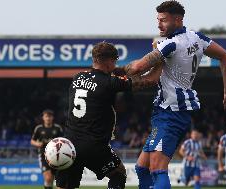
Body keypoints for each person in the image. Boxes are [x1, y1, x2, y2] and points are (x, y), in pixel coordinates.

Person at [115, 1, 226, 188]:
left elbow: (137, 67)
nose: (159, 24)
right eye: (158, 20)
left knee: (157, 168)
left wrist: (114, 70)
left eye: (163, 20)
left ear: (178, 19)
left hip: (172, 112)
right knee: (142, 167)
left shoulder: (170, 44)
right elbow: (225, 56)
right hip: (166, 110)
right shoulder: (197, 37)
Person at [55, 41, 160, 189]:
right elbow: (151, 80)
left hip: (70, 143)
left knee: (65, 186)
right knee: (119, 173)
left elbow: (111, 73)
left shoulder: (78, 77)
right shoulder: (109, 82)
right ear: (110, 61)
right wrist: (161, 58)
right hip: (93, 145)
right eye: (115, 60)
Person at [31, 109, 64, 189]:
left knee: (60, 183)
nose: (48, 118)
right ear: (43, 118)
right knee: (48, 178)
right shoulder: (38, 128)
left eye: (50, 116)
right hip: (44, 156)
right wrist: (38, 144)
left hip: (57, 157)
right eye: (46, 116)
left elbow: (63, 141)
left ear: (52, 118)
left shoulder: (57, 128)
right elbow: (32, 141)